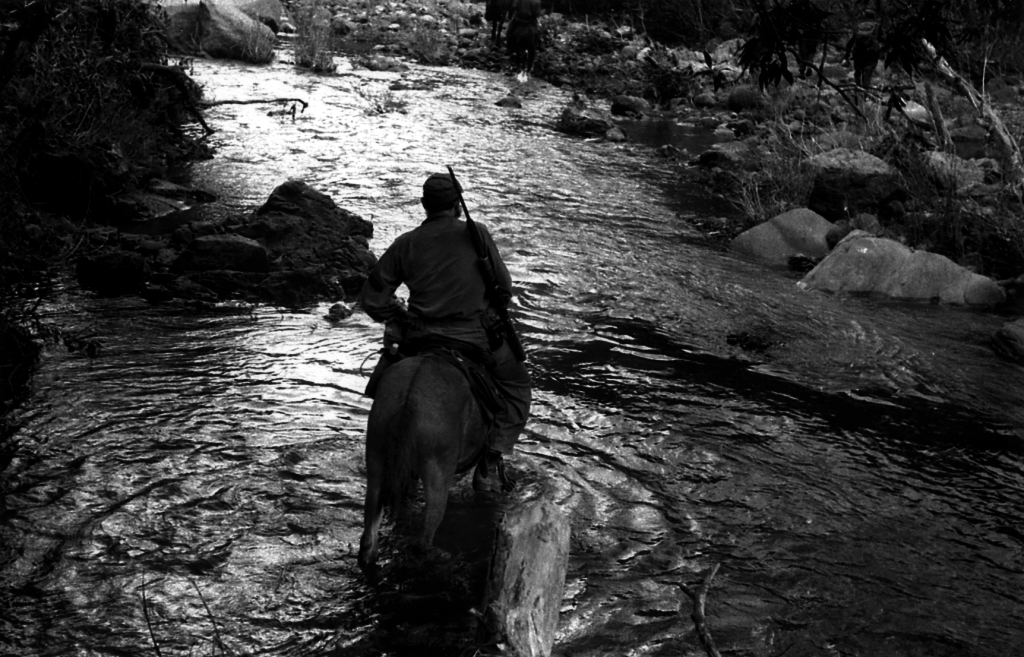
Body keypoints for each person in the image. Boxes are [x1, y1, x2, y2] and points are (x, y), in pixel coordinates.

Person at [359, 172, 532, 493]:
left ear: (424, 205)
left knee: (388, 377)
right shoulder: (476, 234)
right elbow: (504, 288)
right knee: (518, 387)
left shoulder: (406, 244)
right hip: (474, 338)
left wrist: (401, 316)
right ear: (457, 204)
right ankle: (490, 462)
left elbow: (371, 299)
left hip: (420, 337)